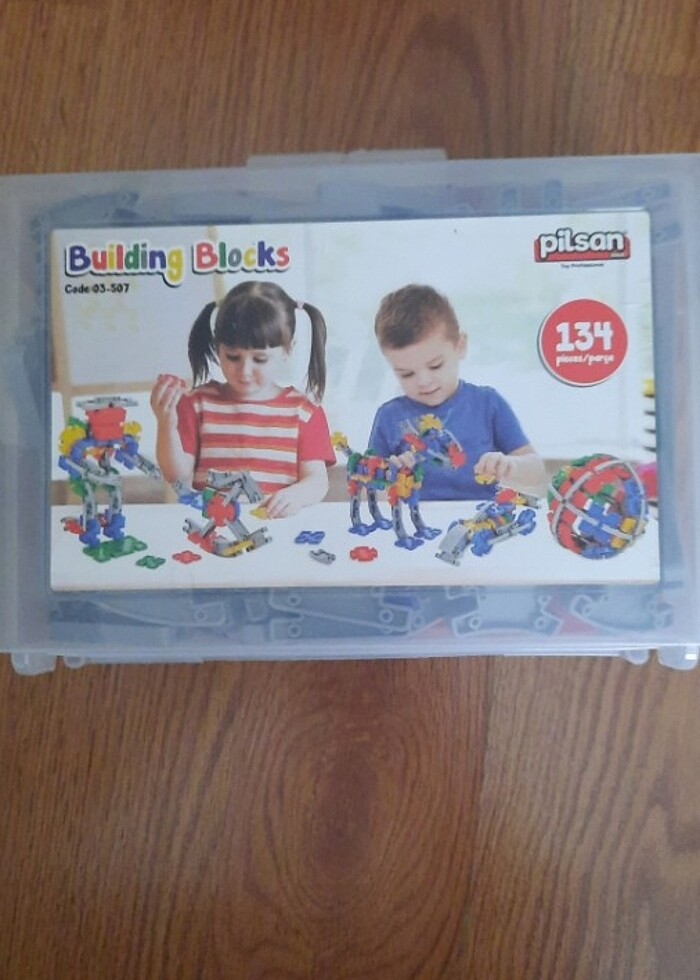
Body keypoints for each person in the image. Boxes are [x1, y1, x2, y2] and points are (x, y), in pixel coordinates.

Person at [150, 281, 335, 518]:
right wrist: (166, 424)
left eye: (260, 359)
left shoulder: (304, 413)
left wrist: (296, 496)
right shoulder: (196, 404)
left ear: (288, 350)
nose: (245, 371)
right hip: (212, 527)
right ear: (218, 348)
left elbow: (317, 481)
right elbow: (176, 474)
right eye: (233, 357)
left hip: (276, 526)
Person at [368, 284, 547, 500]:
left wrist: (511, 466)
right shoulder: (389, 416)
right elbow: (368, 489)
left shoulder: (488, 404)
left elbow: (536, 472)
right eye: (406, 374)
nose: (424, 381)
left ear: (460, 346)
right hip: (415, 517)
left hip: (483, 515)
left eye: (435, 366)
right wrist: (386, 478)